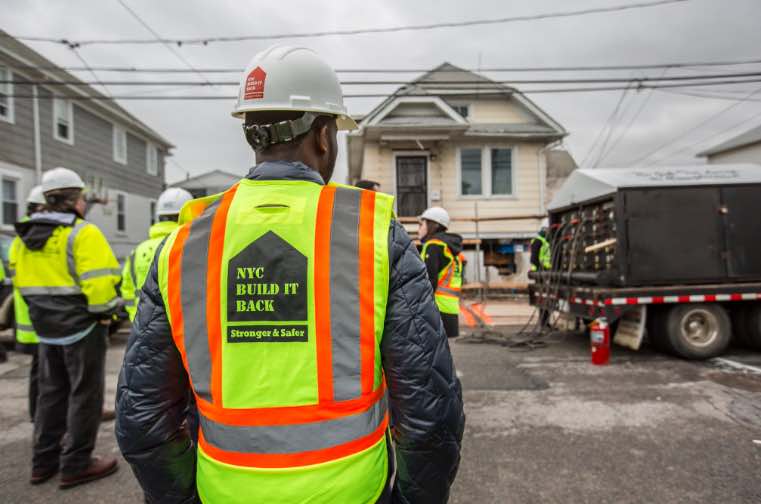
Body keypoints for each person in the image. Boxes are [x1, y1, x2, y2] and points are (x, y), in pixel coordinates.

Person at [116, 45, 464, 504]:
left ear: (252, 136)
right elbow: (429, 412)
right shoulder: (377, 238)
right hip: (354, 491)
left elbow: (143, 420)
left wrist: (183, 496)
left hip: (226, 493)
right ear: (323, 136)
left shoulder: (181, 247)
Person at [12, 167, 121, 488]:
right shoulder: (82, 233)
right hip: (83, 328)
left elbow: (21, 284)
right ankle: (76, 463)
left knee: (51, 395)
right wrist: (106, 316)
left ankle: (43, 462)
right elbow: (101, 290)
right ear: (77, 200)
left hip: (46, 330)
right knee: (85, 396)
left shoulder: (23, 237)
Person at [121, 187, 193, 321]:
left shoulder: (138, 251)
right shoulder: (190, 247)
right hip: (182, 327)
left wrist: (135, 317)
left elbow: (127, 289)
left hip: (144, 324)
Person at [9, 185, 46, 421]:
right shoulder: (38, 236)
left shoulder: (19, 240)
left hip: (30, 319)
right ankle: (44, 420)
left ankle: (38, 417)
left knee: (40, 374)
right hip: (44, 320)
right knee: (50, 378)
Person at [419, 207, 465, 338]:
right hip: (450, 308)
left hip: (436, 308)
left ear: (433, 225)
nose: (419, 228)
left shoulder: (434, 245)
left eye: (422, 224)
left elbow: (429, 280)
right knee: (443, 354)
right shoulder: (450, 247)